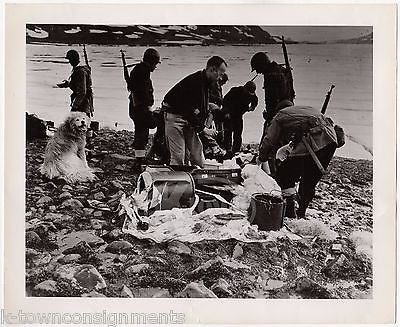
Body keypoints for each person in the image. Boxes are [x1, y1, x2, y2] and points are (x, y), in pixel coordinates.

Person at [258, 102, 338, 219]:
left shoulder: (280, 115)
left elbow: (269, 140)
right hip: (331, 139)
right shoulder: (306, 108)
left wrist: (262, 157)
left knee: (285, 175)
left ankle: (289, 211)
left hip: (314, 138)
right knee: (310, 179)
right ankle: (301, 212)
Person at [163, 56, 227, 167]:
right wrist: (203, 129)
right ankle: (178, 180)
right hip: (174, 116)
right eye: (220, 74)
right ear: (212, 69)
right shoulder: (195, 82)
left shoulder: (207, 82)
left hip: (189, 118)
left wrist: (213, 113)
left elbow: (200, 107)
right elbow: (188, 109)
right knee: (179, 154)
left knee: (197, 152)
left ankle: (198, 174)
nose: (221, 78)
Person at [127, 48, 161, 166]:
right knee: (142, 134)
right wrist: (148, 108)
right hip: (140, 108)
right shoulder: (143, 72)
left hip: (137, 107)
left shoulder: (139, 70)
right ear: (151, 61)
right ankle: (140, 160)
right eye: (155, 63)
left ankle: (140, 158)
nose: (155, 67)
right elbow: (143, 92)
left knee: (141, 132)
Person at [250, 52, 294, 127]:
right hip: (289, 109)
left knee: (270, 136)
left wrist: (269, 116)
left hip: (278, 113)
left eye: (257, 68)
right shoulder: (282, 70)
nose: (258, 72)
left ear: (262, 65)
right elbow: (291, 92)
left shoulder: (270, 75)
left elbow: (271, 98)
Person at [222, 81, 258, 154]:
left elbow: (255, 100)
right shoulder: (235, 91)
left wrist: (252, 107)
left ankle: (236, 150)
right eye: (248, 92)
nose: (249, 94)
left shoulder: (252, 94)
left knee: (238, 133)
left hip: (239, 115)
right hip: (229, 114)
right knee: (228, 132)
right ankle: (227, 149)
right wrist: (226, 112)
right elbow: (225, 100)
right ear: (245, 88)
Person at [57, 49, 94, 117]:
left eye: (70, 60)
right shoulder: (78, 69)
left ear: (74, 59)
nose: (69, 62)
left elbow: (82, 92)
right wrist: (68, 84)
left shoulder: (80, 71)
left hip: (82, 104)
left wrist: (75, 106)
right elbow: (78, 85)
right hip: (82, 102)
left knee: (78, 122)